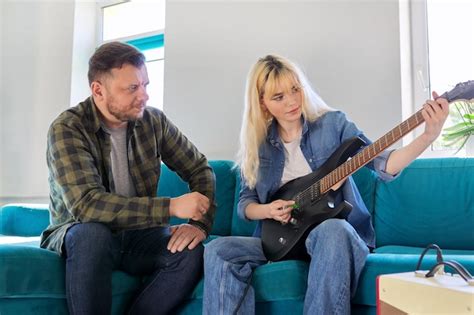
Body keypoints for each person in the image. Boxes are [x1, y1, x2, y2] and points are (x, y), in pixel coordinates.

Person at [202, 54, 449, 314]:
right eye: (279, 97)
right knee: (219, 249)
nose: (292, 101)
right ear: (263, 105)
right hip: (279, 240)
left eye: (295, 89)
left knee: (333, 230)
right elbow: (245, 203)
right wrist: (268, 210)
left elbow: (384, 165)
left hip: (330, 237)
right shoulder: (258, 146)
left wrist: (428, 135)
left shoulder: (333, 125)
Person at [40, 41, 216, 315]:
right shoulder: (68, 128)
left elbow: (199, 169)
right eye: (132, 88)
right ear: (98, 90)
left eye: (145, 84)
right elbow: (87, 206)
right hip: (80, 231)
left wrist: (199, 225)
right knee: (93, 235)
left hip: (138, 234)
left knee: (190, 252)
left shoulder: (153, 121)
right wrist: (170, 207)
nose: (144, 95)